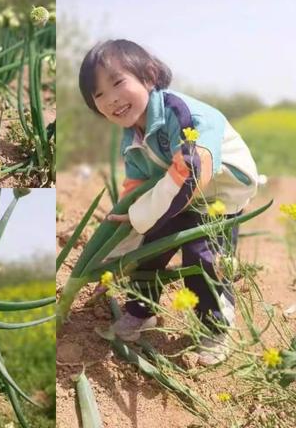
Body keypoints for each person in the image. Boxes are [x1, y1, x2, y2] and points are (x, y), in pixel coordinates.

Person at [79, 39, 259, 366]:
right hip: (178, 195)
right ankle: (141, 311)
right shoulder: (132, 138)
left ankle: (215, 327)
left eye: (118, 82)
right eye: (99, 94)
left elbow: (191, 174)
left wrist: (140, 217)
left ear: (149, 76)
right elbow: (136, 190)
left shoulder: (181, 113)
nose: (112, 99)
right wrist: (116, 255)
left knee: (203, 258)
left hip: (219, 194)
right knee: (150, 247)